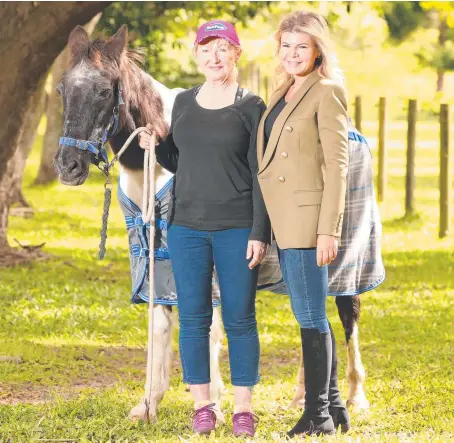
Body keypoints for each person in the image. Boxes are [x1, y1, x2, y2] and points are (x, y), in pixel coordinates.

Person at [139, 20, 269, 437]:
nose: (214, 58)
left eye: (222, 49)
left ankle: (244, 408)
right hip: (186, 228)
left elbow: (261, 172)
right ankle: (203, 406)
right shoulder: (184, 104)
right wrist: (156, 145)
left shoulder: (252, 107)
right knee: (193, 318)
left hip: (236, 228)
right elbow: (180, 161)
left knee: (239, 319)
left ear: (236, 53)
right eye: (206, 49)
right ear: (197, 54)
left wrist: (259, 232)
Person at [257, 11, 350, 437]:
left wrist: (328, 229)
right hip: (283, 220)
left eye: (302, 47)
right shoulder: (283, 91)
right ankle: (332, 407)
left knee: (310, 315)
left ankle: (317, 416)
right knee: (311, 313)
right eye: (287, 45)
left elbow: (338, 166)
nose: (293, 54)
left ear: (317, 51)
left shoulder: (326, 91)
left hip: (308, 222)